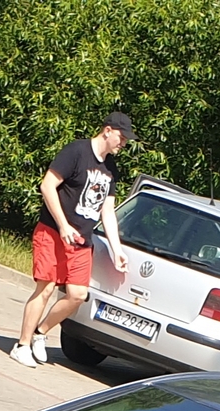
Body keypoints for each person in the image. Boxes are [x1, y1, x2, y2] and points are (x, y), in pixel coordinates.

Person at [12, 111, 132, 367]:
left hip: (81, 242)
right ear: (107, 130)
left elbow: (107, 210)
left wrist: (116, 249)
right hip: (53, 233)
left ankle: (40, 333)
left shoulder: (111, 168)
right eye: (121, 137)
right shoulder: (76, 152)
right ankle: (21, 345)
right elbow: (47, 186)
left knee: (78, 295)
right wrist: (63, 225)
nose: (123, 144)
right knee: (45, 290)